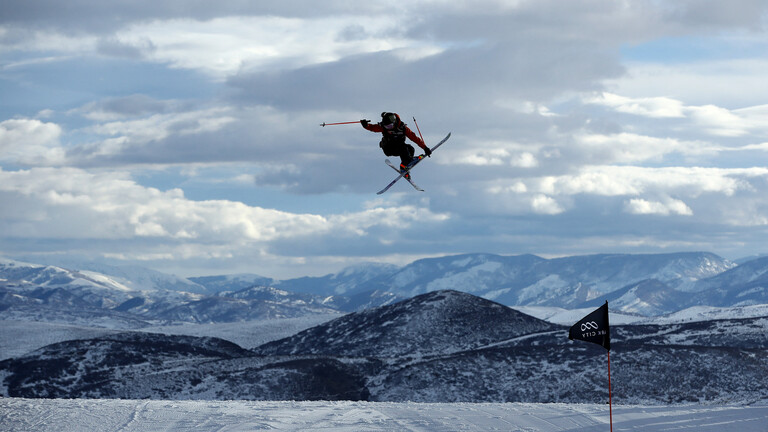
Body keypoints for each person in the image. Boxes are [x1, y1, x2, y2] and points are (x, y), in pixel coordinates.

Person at [361, 112, 431, 178]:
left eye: (390, 126)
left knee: (410, 149)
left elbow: (414, 138)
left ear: (394, 122)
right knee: (403, 148)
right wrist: (366, 125)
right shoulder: (383, 127)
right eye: (386, 126)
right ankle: (409, 161)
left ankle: (404, 167)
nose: (388, 128)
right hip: (388, 148)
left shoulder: (403, 128)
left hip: (398, 147)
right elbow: (373, 128)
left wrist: (425, 148)